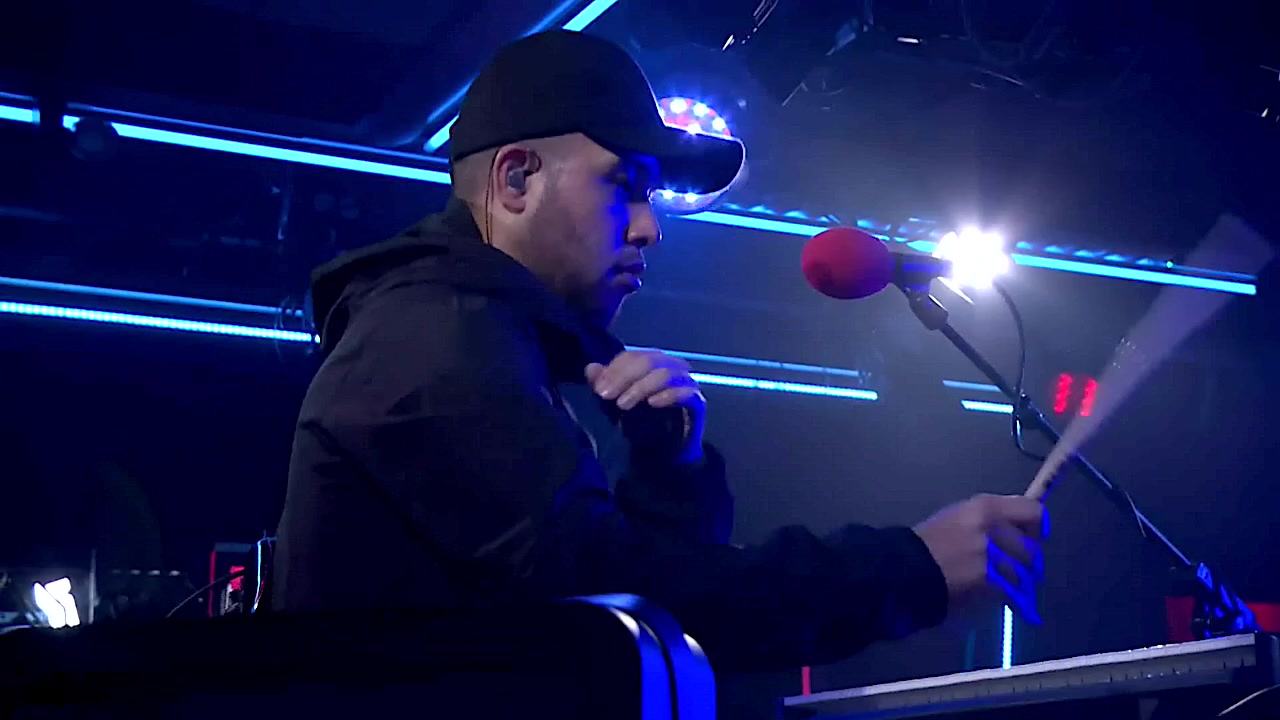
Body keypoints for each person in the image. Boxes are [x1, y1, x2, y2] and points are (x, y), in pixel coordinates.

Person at [272, 29, 1046, 673]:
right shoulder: (433, 338)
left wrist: (670, 477)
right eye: (626, 185)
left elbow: (637, 634)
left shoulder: (474, 337)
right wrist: (908, 568)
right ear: (516, 181)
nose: (649, 228)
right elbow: (612, 609)